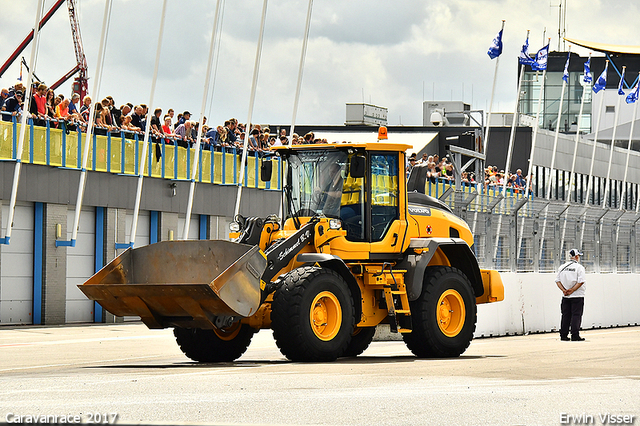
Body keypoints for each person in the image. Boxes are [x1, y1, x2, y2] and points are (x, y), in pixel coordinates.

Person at [555, 248, 587, 341]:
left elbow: (557, 281)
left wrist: (564, 290)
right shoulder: (579, 267)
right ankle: (575, 335)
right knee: (576, 315)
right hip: (577, 295)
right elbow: (581, 281)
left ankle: (563, 335)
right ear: (576, 257)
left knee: (565, 315)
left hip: (566, 296)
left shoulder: (562, 267)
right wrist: (572, 290)